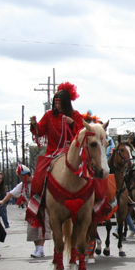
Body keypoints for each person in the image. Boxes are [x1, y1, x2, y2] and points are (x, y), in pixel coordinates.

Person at [28, 82, 84, 227]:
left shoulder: (76, 116)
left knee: (92, 172)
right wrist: (34, 124)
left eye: (60, 104)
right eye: (55, 103)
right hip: (52, 153)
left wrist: (72, 123)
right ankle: (37, 203)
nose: (57, 106)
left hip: (72, 152)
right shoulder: (48, 116)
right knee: (38, 178)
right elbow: (39, 131)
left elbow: (82, 133)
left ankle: (97, 204)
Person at [0, 164, 47, 257]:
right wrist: (3, 201)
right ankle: (38, 250)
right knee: (32, 231)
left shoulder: (39, 182)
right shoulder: (22, 185)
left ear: (27, 175)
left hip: (42, 209)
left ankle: (40, 249)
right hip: (31, 210)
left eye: (21, 176)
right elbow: (12, 193)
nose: (20, 178)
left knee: (41, 230)